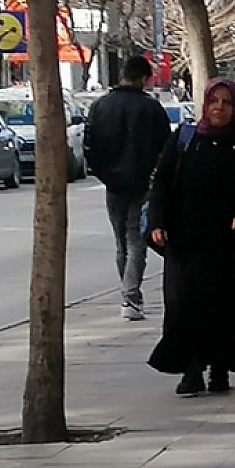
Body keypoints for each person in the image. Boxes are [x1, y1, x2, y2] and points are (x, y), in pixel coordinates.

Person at [145, 79, 235, 396]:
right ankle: (191, 370)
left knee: (225, 305)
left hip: (229, 241)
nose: (219, 108)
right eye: (214, 101)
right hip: (186, 240)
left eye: (226, 102)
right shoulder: (185, 138)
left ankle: (220, 369)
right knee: (184, 305)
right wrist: (157, 222)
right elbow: (162, 183)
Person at [86, 55, 174, 321]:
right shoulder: (151, 108)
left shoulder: (101, 106)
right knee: (136, 239)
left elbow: (90, 146)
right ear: (144, 79)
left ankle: (129, 293)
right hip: (142, 183)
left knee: (121, 241)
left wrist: (104, 174)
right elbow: (166, 149)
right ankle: (131, 295)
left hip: (113, 185)